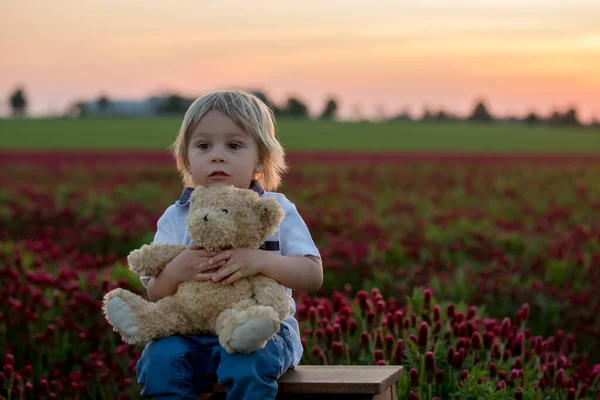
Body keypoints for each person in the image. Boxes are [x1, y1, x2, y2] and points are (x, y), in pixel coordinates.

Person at [135, 90, 323, 400]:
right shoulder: (177, 216)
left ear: (260, 159)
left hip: (263, 333)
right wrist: (176, 270)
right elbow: (154, 293)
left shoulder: (276, 209)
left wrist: (259, 261)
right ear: (187, 160)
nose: (217, 155)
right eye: (203, 145)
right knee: (160, 358)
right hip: (190, 334)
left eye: (234, 145)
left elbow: (312, 275)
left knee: (247, 360)